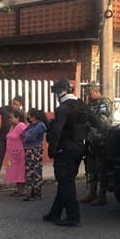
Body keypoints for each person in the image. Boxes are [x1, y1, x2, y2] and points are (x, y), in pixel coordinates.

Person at [43, 79, 88, 227]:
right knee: (66, 181)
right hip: (79, 148)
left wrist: (52, 149)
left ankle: (73, 217)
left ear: (60, 92)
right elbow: (96, 123)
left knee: (66, 182)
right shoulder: (81, 105)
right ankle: (54, 213)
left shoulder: (63, 109)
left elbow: (56, 131)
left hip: (65, 150)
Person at [80, 82, 114, 206]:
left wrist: (88, 123)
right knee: (91, 167)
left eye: (90, 94)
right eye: (87, 94)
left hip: (101, 140)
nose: (88, 96)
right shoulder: (90, 104)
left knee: (101, 168)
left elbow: (102, 121)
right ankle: (92, 192)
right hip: (91, 140)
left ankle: (102, 195)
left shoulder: (104, 102)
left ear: (96, 91)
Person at [0, 95, 24, 182]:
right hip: (3, 137)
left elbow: (24, 126)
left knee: (15, 158)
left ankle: (15, 175)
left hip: (15, 140)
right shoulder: (5, 109)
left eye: (16, 104)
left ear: (20, 105)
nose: (14, 105)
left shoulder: (21, 113)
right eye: (13, 103)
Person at [21, 108, 48, 201]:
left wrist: (26, 135)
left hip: (35, 151)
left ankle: (37, 193)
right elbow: (22, 134)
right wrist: (26, 134)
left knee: (35, 171)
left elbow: (29, 136)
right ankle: (32, 192)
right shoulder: (31, 125)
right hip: (28, 150)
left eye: (29, 115)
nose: (27, 117)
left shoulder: (40, 125)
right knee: (29, 172)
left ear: (34, 116)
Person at [4, 109, 27, 196]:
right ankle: (18, 189)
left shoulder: (21, 126)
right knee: (15, 171)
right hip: (12, 155)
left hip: (19, 154)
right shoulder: (12, 126)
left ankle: (22, 190)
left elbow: (26, 137)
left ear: (18, 118)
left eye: (11, 118)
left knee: (20, 171)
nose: (10, 119)